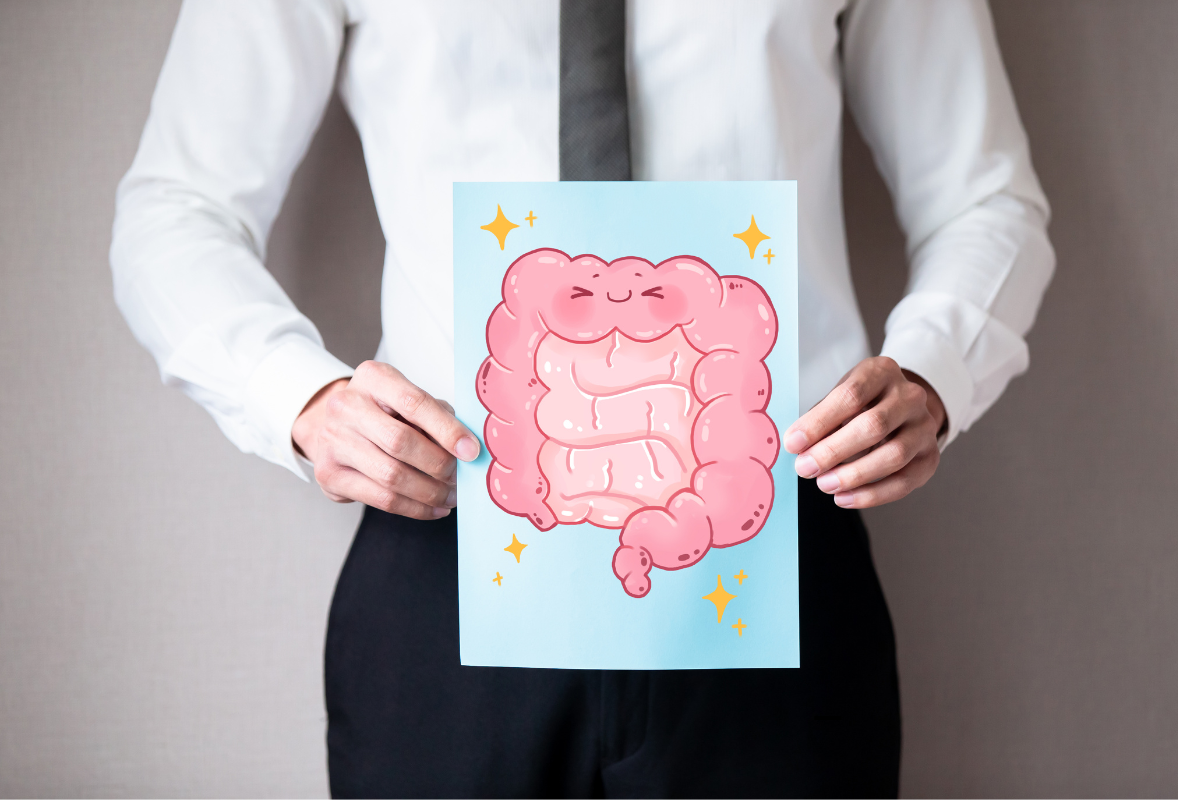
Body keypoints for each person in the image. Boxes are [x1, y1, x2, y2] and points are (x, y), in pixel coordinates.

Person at [111, 0, 1054, 796]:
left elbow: (985, 198)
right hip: (450, 548)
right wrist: (300, 399)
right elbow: (175, 208)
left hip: (774, 557)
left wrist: (935, 373)